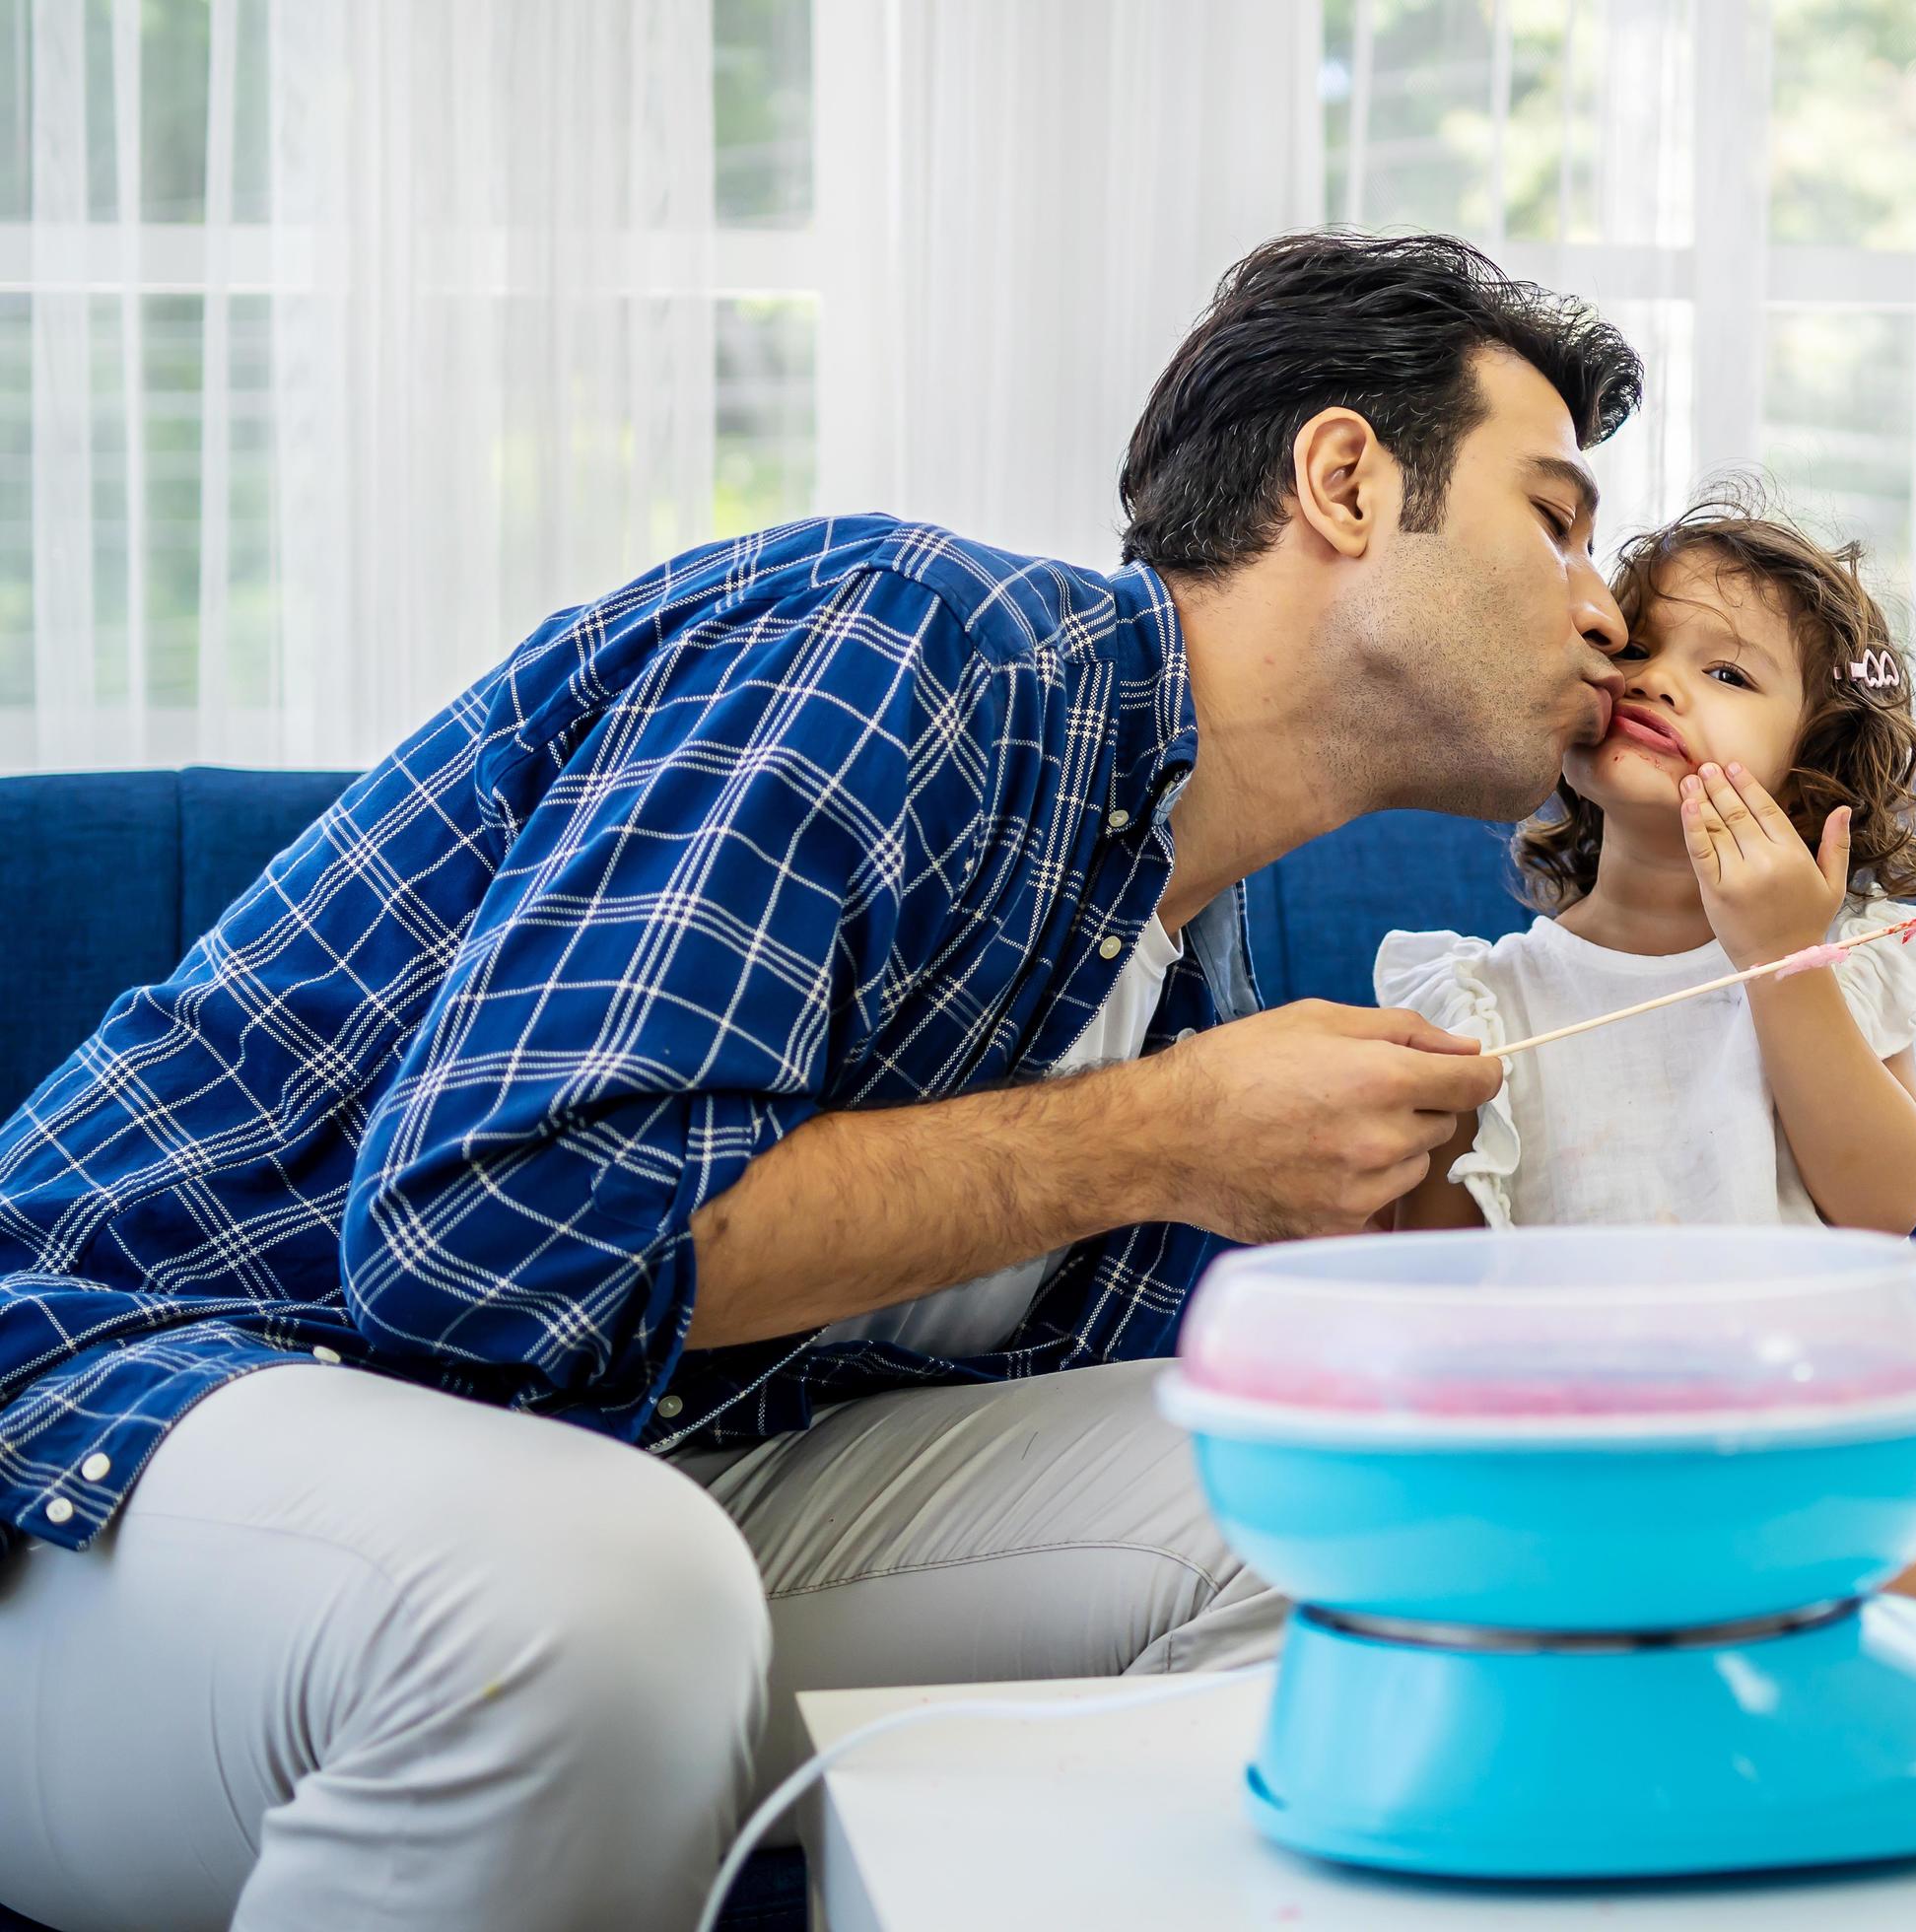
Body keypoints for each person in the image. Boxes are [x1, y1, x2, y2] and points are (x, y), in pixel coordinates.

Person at [0, 232, 1642, 1932]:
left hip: (648, 1491)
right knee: (602, 1594)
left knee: (1382, 1519)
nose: (1610, 605)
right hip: (118, 1457)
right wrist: (1156, 1143)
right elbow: (485, 1241)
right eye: (1556, 518)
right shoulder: (914, 643)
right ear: (1345, 480)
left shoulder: (1195, 969)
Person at [1378, 492, 1916, 1631]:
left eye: (1728, 675)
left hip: (1822, 1429)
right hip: (1573, 1448)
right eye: (1636, 646)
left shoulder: (1842, 957)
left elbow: (1882, 1200)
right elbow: (1438, 1282)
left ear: (1810, 774)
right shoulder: (1480, 996)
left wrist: (1781, 955)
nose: (1659, 681)